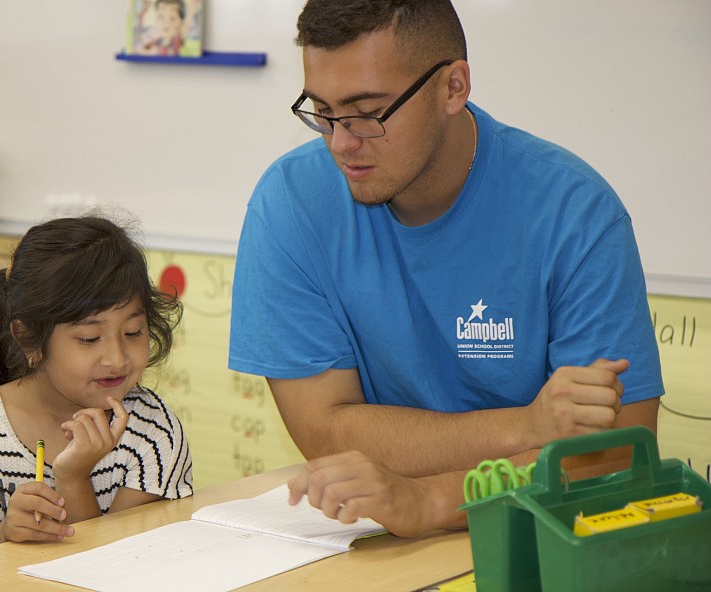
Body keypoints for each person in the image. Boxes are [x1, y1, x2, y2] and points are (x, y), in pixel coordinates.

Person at [228, 0, 663, 538]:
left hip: (544, 540)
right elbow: (326, 431)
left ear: (453, 88)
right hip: (376, 545)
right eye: (322, 110)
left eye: (368, 111)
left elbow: (614, 457)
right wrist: (527, 427)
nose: (341, 142)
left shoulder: (574, 212)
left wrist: (433, 500)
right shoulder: (289, 202)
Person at [0, 215, 193, 557]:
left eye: (133, 332)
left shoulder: (155, 433)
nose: (116, 357)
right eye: (89, 338)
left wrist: (74, 479)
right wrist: (6, 534)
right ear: (29, 339)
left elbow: (123, 569)